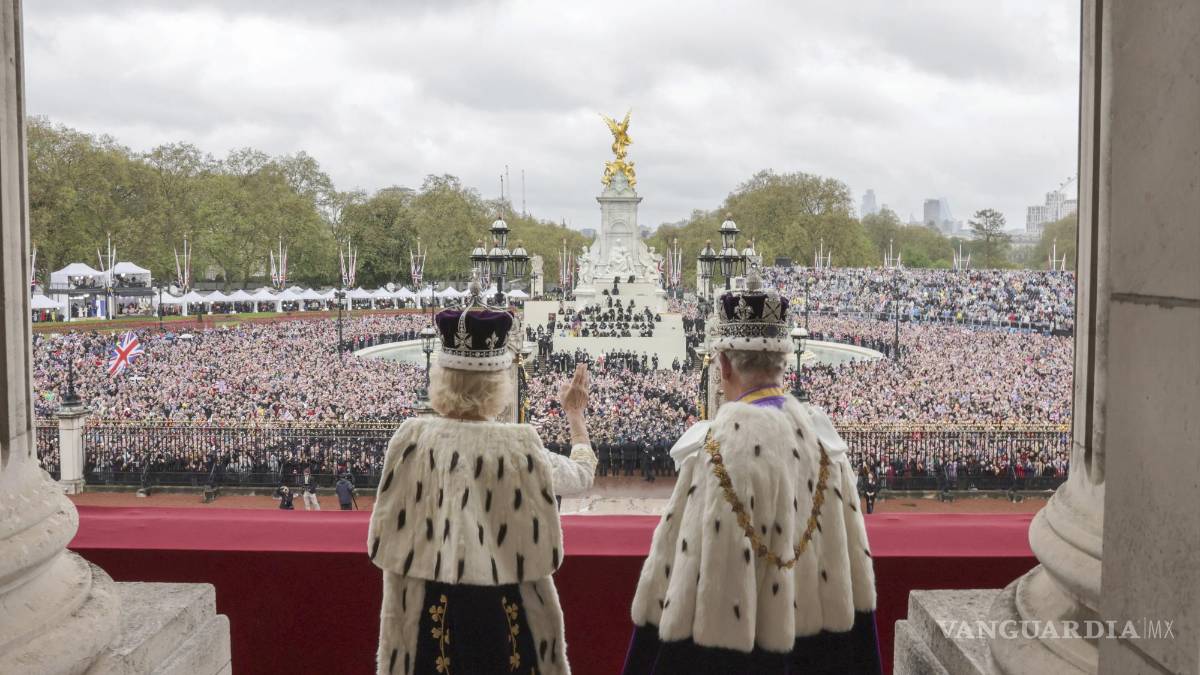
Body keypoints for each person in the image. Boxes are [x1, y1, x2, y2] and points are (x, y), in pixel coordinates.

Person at [623, 268, 881, 674]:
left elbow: (679, 579)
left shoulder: (713, 450)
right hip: (816, 652)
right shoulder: (826, 443)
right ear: (783, 362)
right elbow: (856, 581)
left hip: (732, 656)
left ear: (724, 366)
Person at [368, 292, 597, 675]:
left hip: (427, 612)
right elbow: (581, 477)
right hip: (505, 609)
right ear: (498, 383)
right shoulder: (518, 446)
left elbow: (383, 537)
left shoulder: (409, 439)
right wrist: (575, 416)